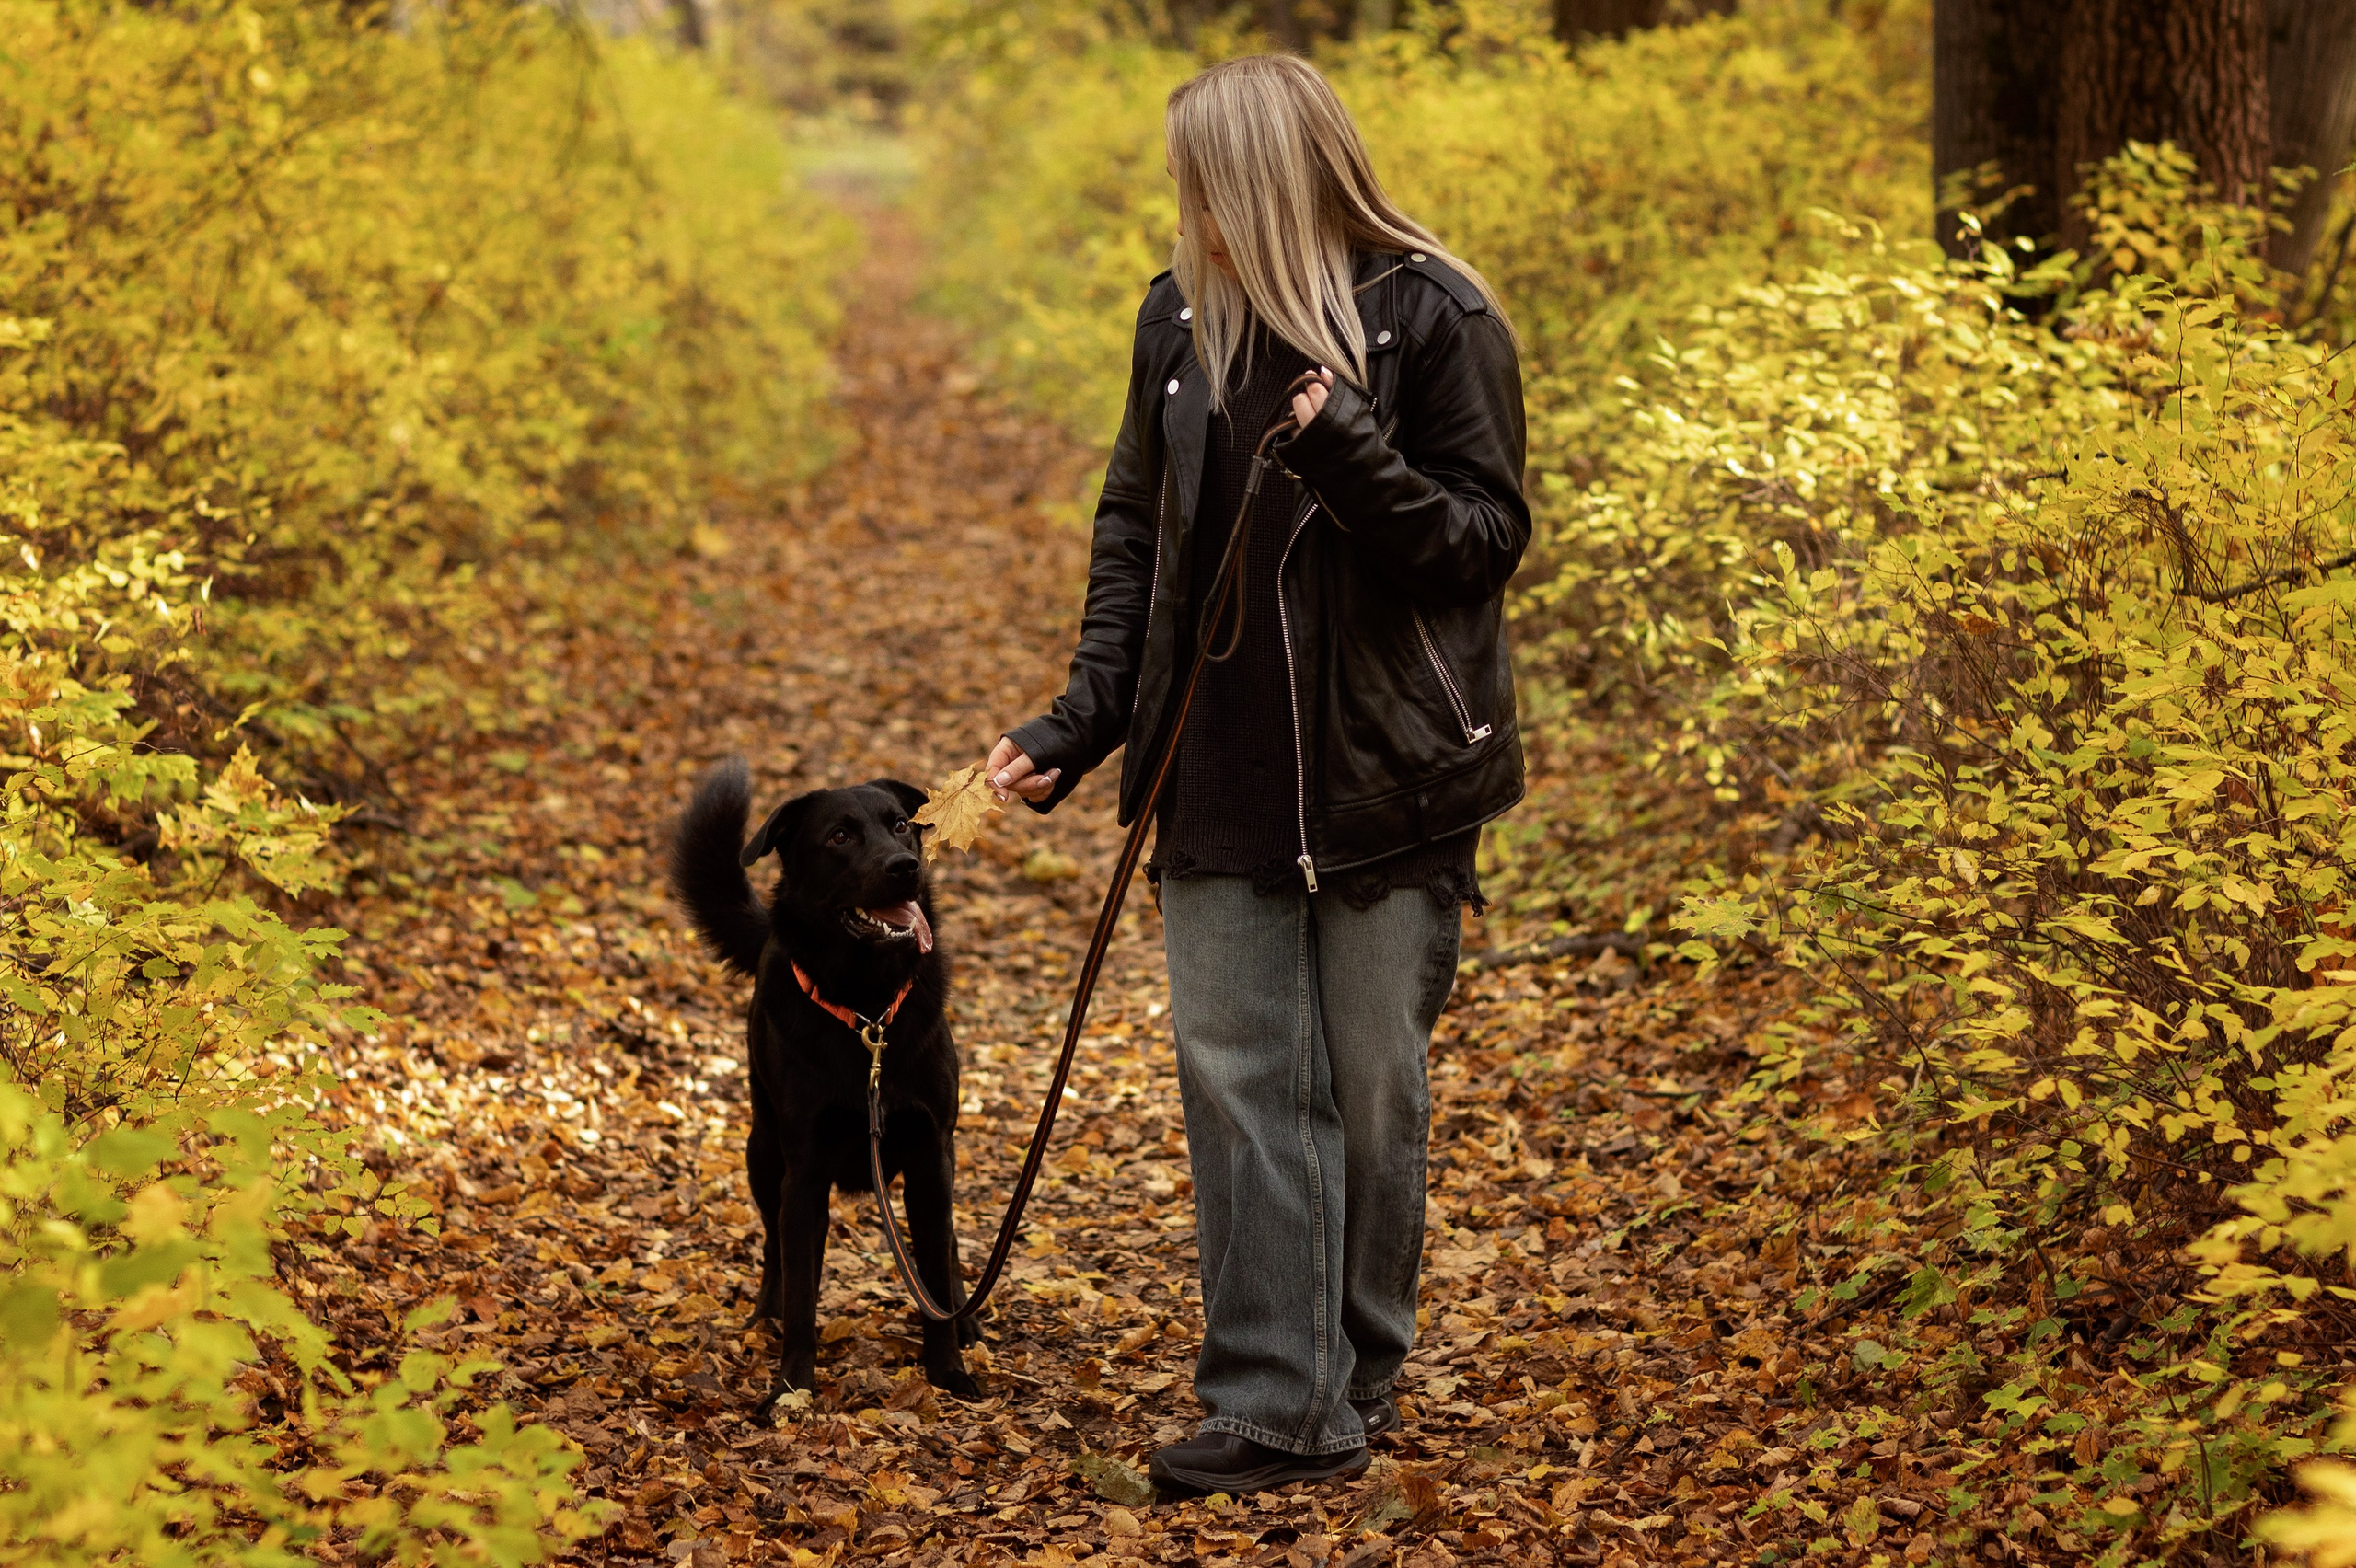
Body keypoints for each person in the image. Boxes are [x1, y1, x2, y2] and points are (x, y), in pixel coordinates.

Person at [986, 52, 1528, 1496]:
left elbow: (1479, 548)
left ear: (1270, 183)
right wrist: (1083, 718)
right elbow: (1136, 525)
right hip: (1214, 764)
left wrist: (1347, 447)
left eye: (1207, 189)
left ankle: (1358, 1371)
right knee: (1242, 1086)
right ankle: (1280, 1402)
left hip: (1387, 777)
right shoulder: (1178, 319)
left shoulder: (1435, 315)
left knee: (1371, 1093)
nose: (1190, 217)